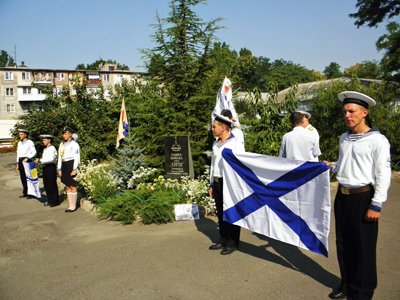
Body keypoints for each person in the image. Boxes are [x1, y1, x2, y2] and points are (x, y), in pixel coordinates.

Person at [326, 91, 391, 300]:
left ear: (364, 112)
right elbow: (346, 164)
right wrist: (333, 166)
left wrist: (376, 204)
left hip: (363, 199)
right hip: (342, 197)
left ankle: (362, 292)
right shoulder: (344, 138)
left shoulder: (377, 141)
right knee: (343, 244)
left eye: (352, 111)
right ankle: (347, 284)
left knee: (363, 248)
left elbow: (383, 174)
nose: (347, 115)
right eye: (345, 111)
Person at [208, 113, 245, 255]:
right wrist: (211, 183)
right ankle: (223, 238)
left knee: (231, 211)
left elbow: (241, 164)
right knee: (221, 212)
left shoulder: (235, 144)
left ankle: (233, 242)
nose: (212, 129)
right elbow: (213, 165)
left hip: (230, 183)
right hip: (218, 182)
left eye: (214, 126)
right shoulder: (216, 144)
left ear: (223, 128)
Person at [57, 127, 80, 213]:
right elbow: (60, 156)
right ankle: (70, 205)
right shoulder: (61, 144)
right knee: (67, 185)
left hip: (71, 164)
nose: (64, 135)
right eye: (63, 134)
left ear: (70, 134)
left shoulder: (74, 144)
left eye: (66, 133)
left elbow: (77, 157)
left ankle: (73, 206)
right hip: (64, 165)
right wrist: (59, 168)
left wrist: (74, 169)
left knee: (72, 185)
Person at [35, 135, 59, 207]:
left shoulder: (52, 148)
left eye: (45, 140)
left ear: (49, 140)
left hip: (50, 167)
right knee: (46, 184)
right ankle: (50, 200)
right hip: (45, 167)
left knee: (52, 184)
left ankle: (54, 201)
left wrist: (40, 160)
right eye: (43, 140)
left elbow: (50, 159)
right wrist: (40, 160)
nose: (43, 141)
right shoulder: (45, 149)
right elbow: (45, 158)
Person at [15, 129, 37, 199]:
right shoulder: (19, 143)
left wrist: (27, 158)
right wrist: (18, 164)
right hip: (21, 160)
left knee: (29, 177)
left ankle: (31, 193)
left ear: (25, 135)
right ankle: (25, 192)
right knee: (23, 177)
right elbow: (18, 153)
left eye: (21, 134)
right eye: (19, 134)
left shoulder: (30, 142)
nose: (20, 136)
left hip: (27, 160)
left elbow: (34, 152)